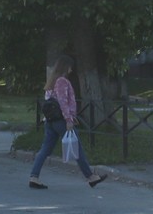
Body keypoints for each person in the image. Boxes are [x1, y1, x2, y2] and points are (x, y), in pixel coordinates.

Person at [28, 54, 107, 190]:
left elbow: (49, 100)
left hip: (50, 121)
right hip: (62, 121)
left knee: (45, 149)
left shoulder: (51, 81)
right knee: (77, 148)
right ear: (66, 67)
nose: (71, 69)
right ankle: (90, 177)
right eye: (70, 67)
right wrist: (69, 120)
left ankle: (34, 177)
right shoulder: (62, 81)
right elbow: (63, 102)